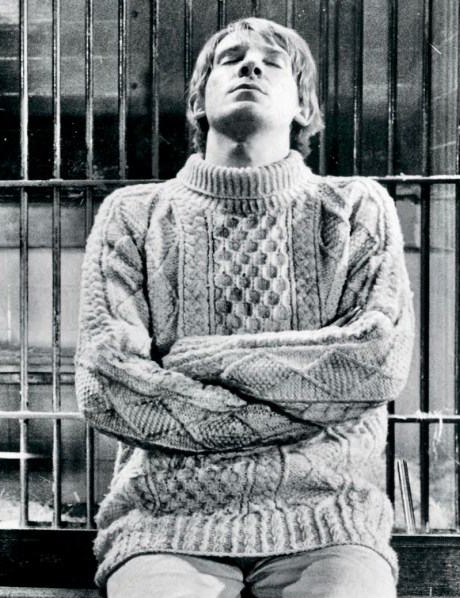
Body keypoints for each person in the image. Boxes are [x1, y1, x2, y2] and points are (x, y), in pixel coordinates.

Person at [75, 17, 414, 598]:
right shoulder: (134, 214)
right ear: (197, 101)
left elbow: (375, 364)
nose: (250, 65)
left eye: (272, 62)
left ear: (304, 106)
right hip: (165, 521)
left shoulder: (356, 208)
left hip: (328, 520)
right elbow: (109, 386)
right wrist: (309, 404)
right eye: (230, 58)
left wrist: (200, 360)